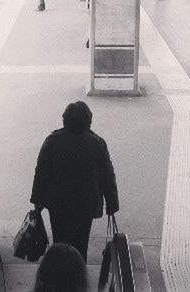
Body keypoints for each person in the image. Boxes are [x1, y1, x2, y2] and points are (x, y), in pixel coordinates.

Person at [30, 101, 119, 261]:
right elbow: (107, 175)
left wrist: (37, 199)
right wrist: (112, 203)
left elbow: (42, 172)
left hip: (58, 203)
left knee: (60, 241)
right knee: (80, 243)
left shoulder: (52, 140)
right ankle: (78, 277)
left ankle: (59, 276)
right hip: (85, 204)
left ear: (65, 120)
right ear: (88, 121)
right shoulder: (97, 143)